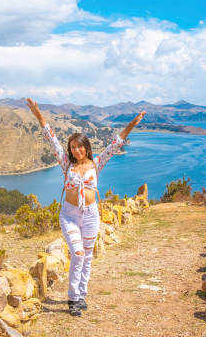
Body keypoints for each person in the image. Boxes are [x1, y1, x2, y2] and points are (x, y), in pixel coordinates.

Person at [26, 98, 145, 316]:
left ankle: (81, 295)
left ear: (86, 147)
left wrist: (132, 124)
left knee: (87, 257)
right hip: (69, 215)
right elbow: (51, 139)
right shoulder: (66, 164)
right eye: (73, 147)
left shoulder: (97, 163)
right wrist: (38, 115)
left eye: (79, 146)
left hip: (91, 215)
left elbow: (116, 143)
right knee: (78, 253)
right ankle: (73, 298)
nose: (76, 149)